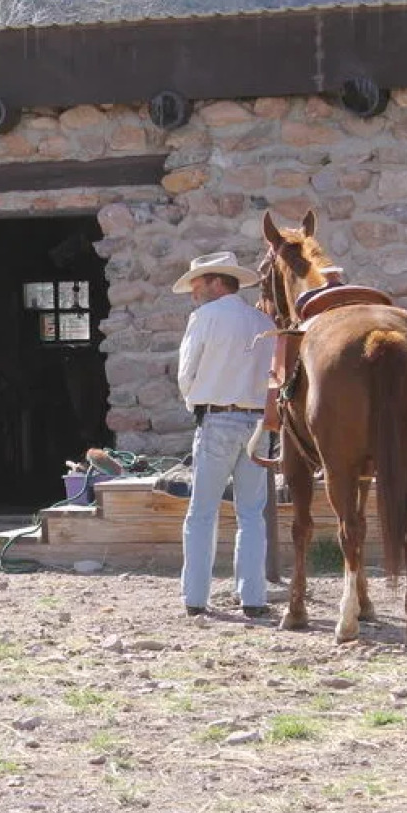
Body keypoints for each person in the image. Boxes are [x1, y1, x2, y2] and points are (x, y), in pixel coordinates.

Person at [172, 250, 276, 618]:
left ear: (216, 281)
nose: (194, 291)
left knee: (202, 511)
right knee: (251, 512)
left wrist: (196, 404)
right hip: (257, 423)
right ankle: (253, 597)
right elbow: (274, 377)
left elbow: (187, 373)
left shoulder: (204, 318)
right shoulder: (262, 321)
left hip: (216, 419)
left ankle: (196, 598)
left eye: (197, 283)